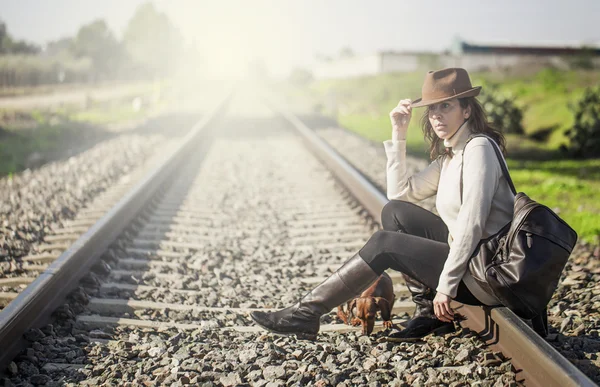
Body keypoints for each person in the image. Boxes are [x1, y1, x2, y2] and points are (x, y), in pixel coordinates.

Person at [251, 67, 515, 341]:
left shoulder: (478, 150)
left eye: (446, 106)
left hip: (486, 271)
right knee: (395, 213)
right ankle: (428, 314)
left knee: (384, 244)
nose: (436, 115)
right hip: (473, 257)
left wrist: (446, 287)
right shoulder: (453, 154)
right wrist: (398, 133)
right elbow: (399, 194)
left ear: (467, 110)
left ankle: (306, 312)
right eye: (432, 108)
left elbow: (473, 224)